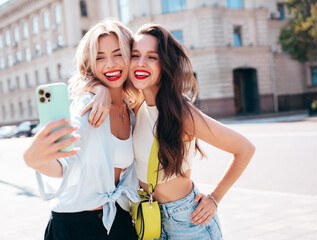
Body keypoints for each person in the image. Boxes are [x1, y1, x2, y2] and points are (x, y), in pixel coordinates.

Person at [84, 23, 256, 240]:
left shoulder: (181, 113)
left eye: (152, 57)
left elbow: (245, 149)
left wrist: (214, 198)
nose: (140, 63)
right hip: (149, 220)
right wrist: (99, 90)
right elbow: (85, 78)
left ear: (165, 64)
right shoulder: (136, 106)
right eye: (135, 55)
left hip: (187, 221)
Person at [23, 20, 140, 240]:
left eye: (118, 54)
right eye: (99, 57)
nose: (110, 64)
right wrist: (35, 160)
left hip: (118, 219)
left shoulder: (131, 111)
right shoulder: (87, 106)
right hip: (76, 226)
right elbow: (66, 165)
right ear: (90, 63)